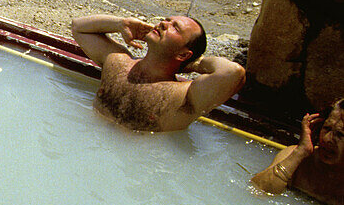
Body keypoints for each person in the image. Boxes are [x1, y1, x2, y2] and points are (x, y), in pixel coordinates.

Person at [70, 13, 246, 132]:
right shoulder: (118, 63)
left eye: (175, 28)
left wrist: (195, 63)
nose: (163, 24)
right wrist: (120, 23)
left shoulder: (184, 96)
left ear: (184, 54)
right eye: (166, 20)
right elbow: (79, 26)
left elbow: (233, 72)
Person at [251, 98, 343, 205]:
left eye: (340, 134)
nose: (327, 138)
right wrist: (301, 152)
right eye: (326, 128)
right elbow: (257, 191)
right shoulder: (296, 157)